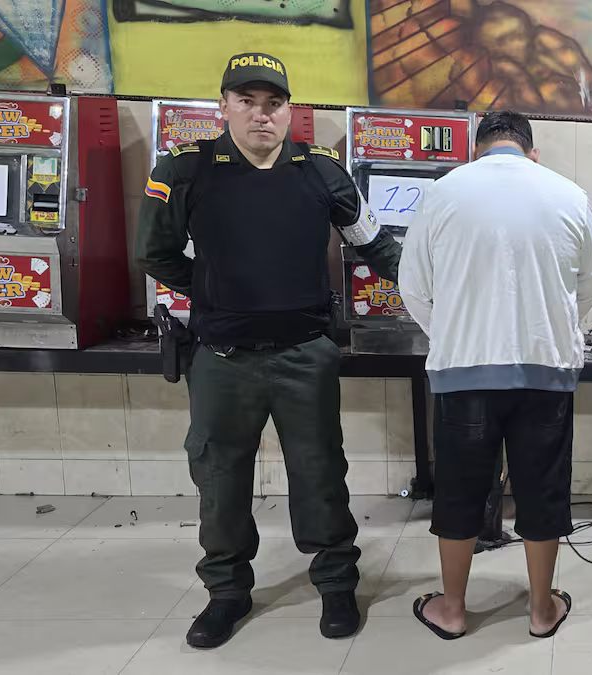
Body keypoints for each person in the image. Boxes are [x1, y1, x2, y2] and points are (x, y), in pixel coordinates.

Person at [135, 52, 401, 649]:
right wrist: (213, 290)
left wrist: (437, 286)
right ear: (223, 105)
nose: (261, 115)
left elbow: (375, 245)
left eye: (274, 103)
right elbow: (155, 254)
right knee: (220, 478)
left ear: (290, 110)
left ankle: (336, 583)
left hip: (305, 355)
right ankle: (226, 593)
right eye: (247, 102)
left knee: (321, 473)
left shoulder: (323, 172)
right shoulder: (186, 169)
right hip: (222, 358)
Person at [398, 111, 592, 640]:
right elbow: (587, 287)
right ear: (532, 152)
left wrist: (453, 333)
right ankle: (540, 610)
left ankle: (453, 609)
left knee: (461, 493)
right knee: (542, 490)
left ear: (479, 150)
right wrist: (551, 332)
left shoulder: (444, 192)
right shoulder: (569, 195)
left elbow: (414, 287)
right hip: (546, 373)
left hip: (463, 373)